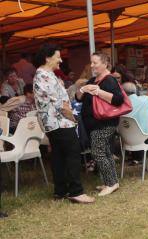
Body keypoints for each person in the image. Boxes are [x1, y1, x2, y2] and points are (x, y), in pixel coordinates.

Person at [32, 44, 94, 204]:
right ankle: (76, 191)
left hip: (53, 123)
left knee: (58, 156)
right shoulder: (44, 75)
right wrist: (73, 118)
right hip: (59, 122)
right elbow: (61, 104)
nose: (60, 60)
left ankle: (60, 192)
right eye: (58, 57)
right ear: (47, 58)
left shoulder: (45, 74)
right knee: (73, 153)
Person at [77, 52, 125, 197]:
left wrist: (99, 92)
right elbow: (78, 98)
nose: (92, 65)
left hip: (104, 123)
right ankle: (111, 181)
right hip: (94, 124)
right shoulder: (93, 80)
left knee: (98, 152)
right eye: (91, 62)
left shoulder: (109, 80)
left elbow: (118, 100)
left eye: (95, 63)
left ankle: (111, 184)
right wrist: (82, 89)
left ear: (105, 64)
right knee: (105, 152)